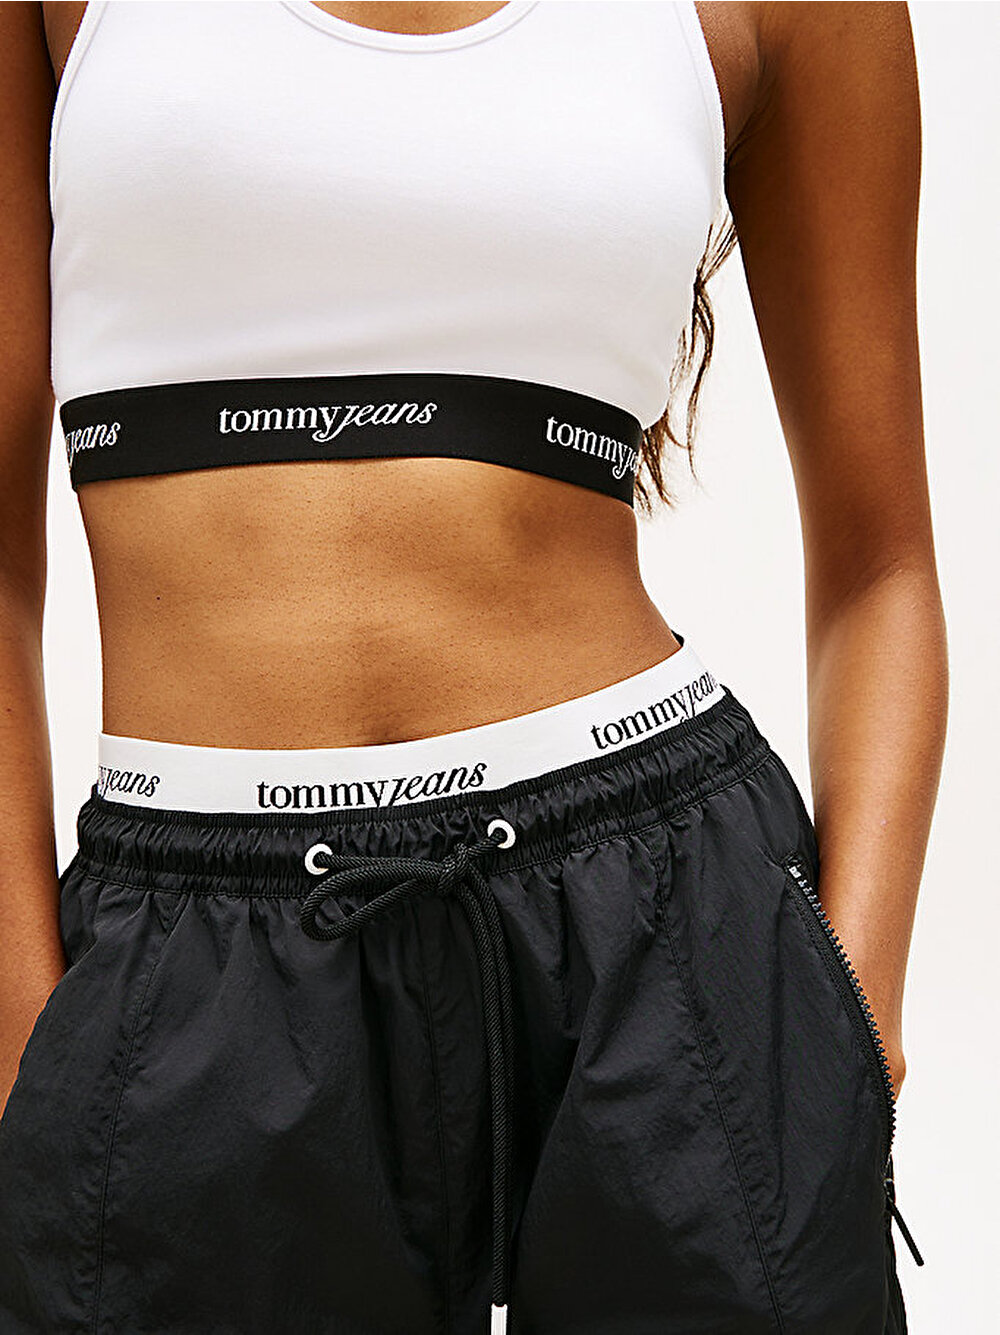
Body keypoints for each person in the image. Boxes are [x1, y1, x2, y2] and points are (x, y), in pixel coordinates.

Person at [0, 2, 945, 1332]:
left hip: (662, 923)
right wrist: (22, 1036)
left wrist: (854, 1016)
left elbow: (881, 561)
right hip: (188, 950)